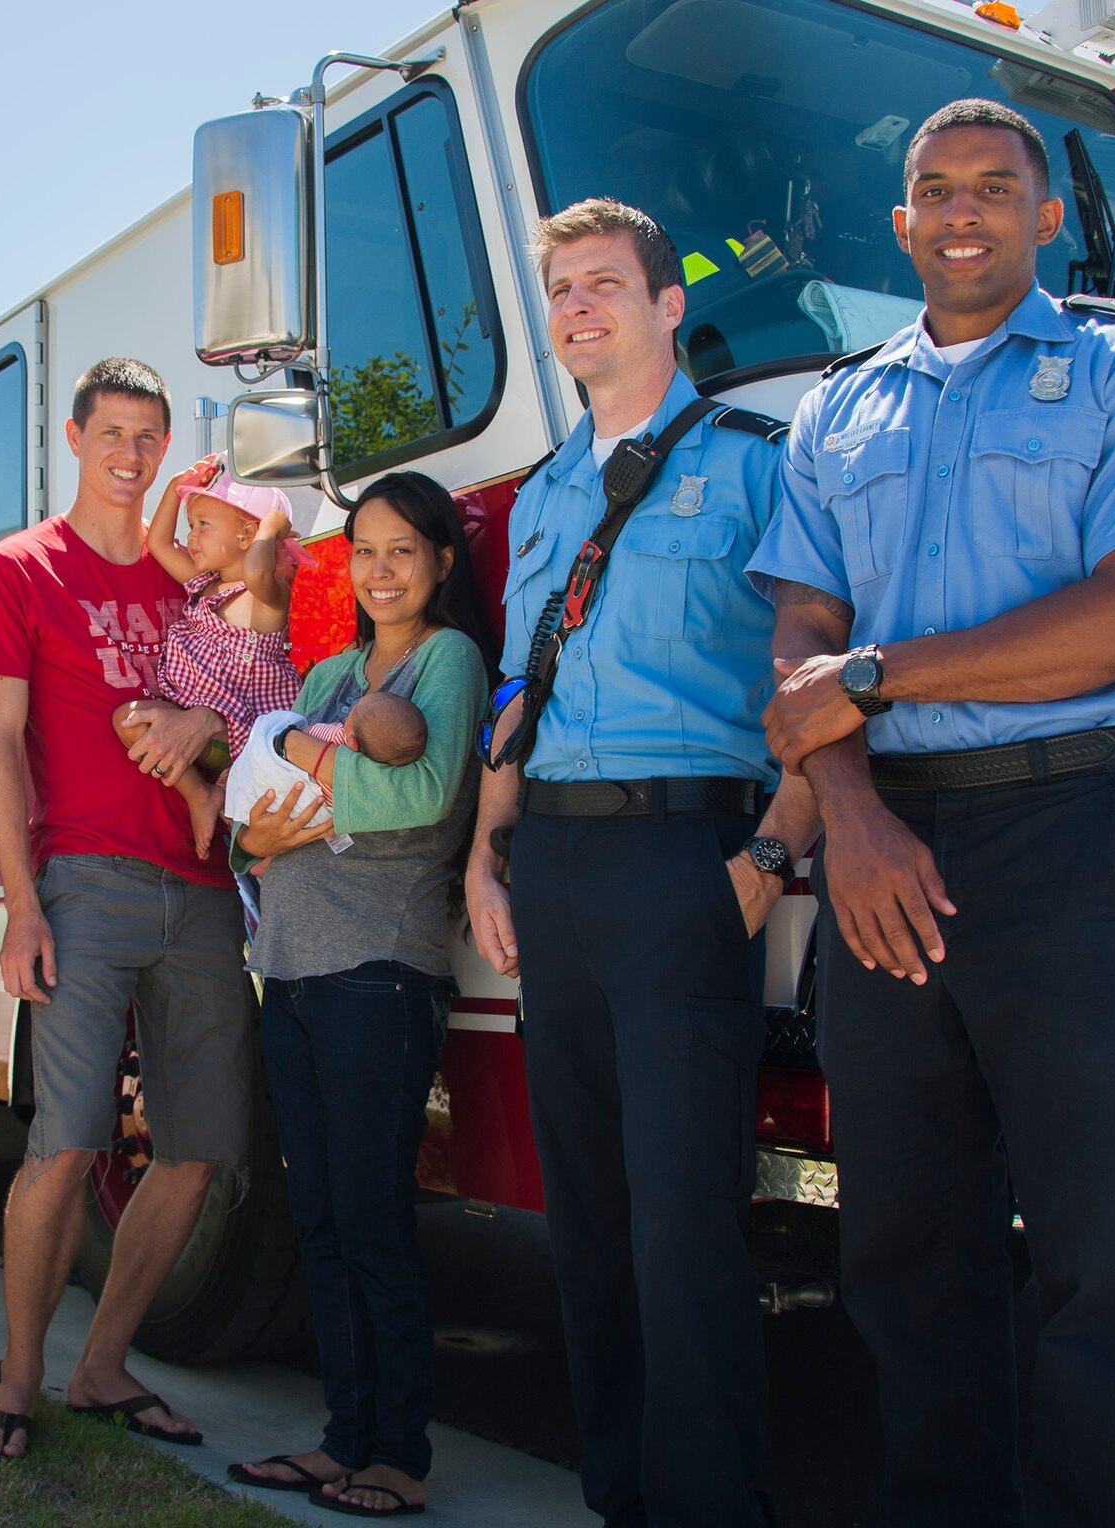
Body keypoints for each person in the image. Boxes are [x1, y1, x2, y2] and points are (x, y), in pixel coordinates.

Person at [747, 100, 1115, 1526]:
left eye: (994, 189)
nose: (964, 212)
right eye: (935, 191)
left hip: (1065, 842)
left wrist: (878, 680)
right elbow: (799, 647)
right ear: (900, 225)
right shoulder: (838, 409)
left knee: (1096, 1264)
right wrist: (852, 809)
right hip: (882, 850)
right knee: (905, 1250)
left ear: (1045, 216)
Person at [463, 199, 815, 1528]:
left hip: (688, 860)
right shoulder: (547, 494)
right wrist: (484, 866)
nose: (578, 308)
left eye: (605, 283)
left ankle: (713, 1502)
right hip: (552, 870)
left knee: (684, 1229)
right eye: (559, 289)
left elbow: (822, 668)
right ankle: (620, 1492)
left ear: (671, 306)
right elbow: (516, 692)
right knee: (590, 1227)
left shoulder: (752, 463)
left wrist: (769, 856)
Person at [0, 358, 255, 1461]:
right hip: (83, 881)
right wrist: (21, 904)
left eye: (149, 437)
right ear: (74, 437)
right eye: (112, 433)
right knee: (66, 1140)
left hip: (205, 889)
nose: (130, 456)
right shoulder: (19, 569)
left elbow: (242, 718)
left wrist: (206, 736)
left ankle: (102, 1364)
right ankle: (19, 1378)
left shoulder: (190, 584)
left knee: (197, 1148)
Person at [226, 471, 493, 1518]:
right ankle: (342, 1439)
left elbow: (422, 796)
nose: (381, 570)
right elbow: (245, 829)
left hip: (377, 972)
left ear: (437, 562)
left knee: (374, 1217)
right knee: (321, 1219)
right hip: (287, 969)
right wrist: (265, 820)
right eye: (365, 551)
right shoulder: (332, 669)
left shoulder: (449, 660)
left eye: (402, 551)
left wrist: (290, 755)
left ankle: (396, 1455)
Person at [112, 458, 308, 854]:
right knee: (127, 718)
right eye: (191, 524)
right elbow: (158, 544)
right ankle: (199, 793)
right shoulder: (204, 585)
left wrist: (271, 528)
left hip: (243, 738)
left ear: (246, 535)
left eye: (203, 524)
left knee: (261, 847)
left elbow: (256, 572)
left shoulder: (264, 597)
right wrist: (174, 486)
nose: (192, 536)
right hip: (195, 724)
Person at [224, 691, 431, 856]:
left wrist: (290, 741)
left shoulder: (336, 735)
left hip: (281, 783)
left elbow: (302, 735)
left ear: (352, 741)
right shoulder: (368, 775)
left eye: (352, 713)